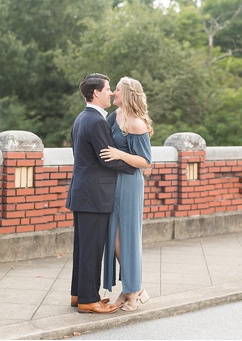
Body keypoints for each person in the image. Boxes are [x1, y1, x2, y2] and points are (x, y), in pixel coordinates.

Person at [67, 73, 136, 314]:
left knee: (83, 247)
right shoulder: (96, 121)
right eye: (108, 89)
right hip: (94, 195)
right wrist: (134, 165)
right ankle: (88, 300)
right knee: (92, 248)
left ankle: (78, 294)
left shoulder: (82, 118)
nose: (111, 93)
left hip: (83, 192)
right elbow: (106, 157)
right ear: (96, 93)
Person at [100, 77, 153, 311]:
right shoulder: (115, 116)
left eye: (117, 90)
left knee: (128, 237)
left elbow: (145, 161)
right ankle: (132, 288)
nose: (113, 93)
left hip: (130, 183)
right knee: (114, 238)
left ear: (128, 93)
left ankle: (133, 292)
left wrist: (120, 155)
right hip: (114, 182)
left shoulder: (136, 124)